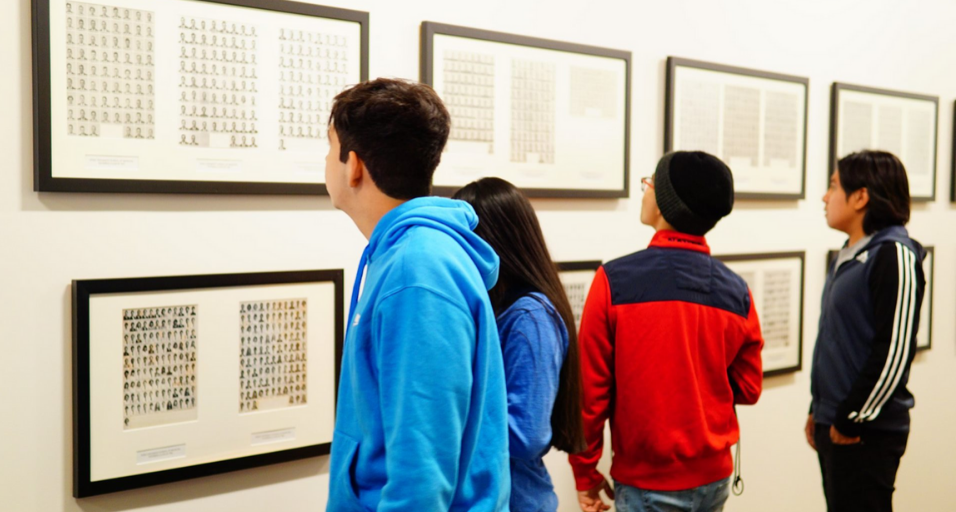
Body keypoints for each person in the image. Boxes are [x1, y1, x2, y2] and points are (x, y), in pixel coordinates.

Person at [323, 78, 509, 511]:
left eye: (329, 148)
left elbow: (422, 475)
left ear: (354, 165)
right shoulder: (408, 256)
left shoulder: (417, 270)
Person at [569, 151, 764, 512]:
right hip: (715, 479)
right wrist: (699, 388)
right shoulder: (736, 291)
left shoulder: (614, 281)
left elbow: (590, 396)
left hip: (648, 482)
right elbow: (750, 389)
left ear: (663, 203)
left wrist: (585, 472)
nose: (645, 190)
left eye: (650, 183)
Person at [453, 178, 586, 512]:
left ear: (493, 243)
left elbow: (527, 435)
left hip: (518, 501)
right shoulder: (500, 309)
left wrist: (448, 409)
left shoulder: (530, 318)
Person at [807, 150, 925, 512]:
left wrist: (852, 416)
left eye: (833, 186)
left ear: (861, 196)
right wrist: (819, 407)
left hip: (866, 431)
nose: (825, 198)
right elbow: (834, 339)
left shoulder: (894, 254)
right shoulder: (848, 252)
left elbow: (895, 350)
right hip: (835, 420)